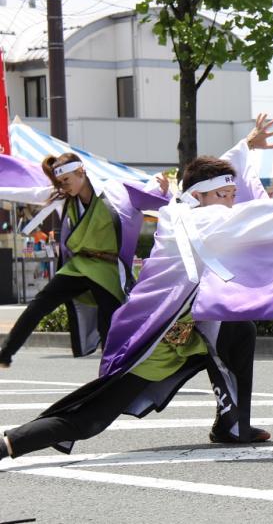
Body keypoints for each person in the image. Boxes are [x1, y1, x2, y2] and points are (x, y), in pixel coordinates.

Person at [0, 154, 273, 462]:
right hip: (157, 338)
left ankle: (232, 424)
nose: (230, 202)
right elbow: (230, 219)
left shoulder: (203, 211)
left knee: (239, 329)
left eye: (232, 194)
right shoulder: (186, 218)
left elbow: (229, 201)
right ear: (199, 195)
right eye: (223, 194)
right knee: (93, 415)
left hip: (190, 328)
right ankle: (10, 443)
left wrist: (250, 146)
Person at [0, 154, 170, 367]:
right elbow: (29, 193)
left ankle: (111, 372)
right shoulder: (64, 198)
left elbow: (155, 196)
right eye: (60, 183)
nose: (64, 187)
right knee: (40, 304)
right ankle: (5, 353)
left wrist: (164, 190)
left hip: (108, 268)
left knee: (109, 321)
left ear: (81, 172)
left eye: (66, 181)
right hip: (78, 265)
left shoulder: (117, 191)